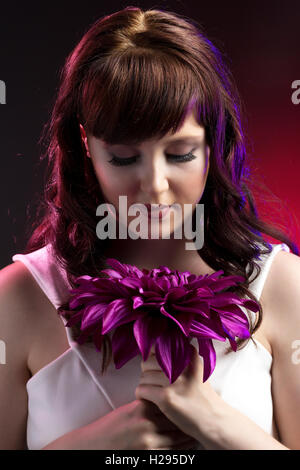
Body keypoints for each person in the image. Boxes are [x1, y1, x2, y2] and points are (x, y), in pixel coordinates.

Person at [0, 6, 300, 451]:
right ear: (86, 146)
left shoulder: (282, 286)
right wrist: (95, 444)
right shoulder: (20, 296)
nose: (154, 186)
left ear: (213, 143)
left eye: (180, 154)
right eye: (123, 158)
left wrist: (219, 424)